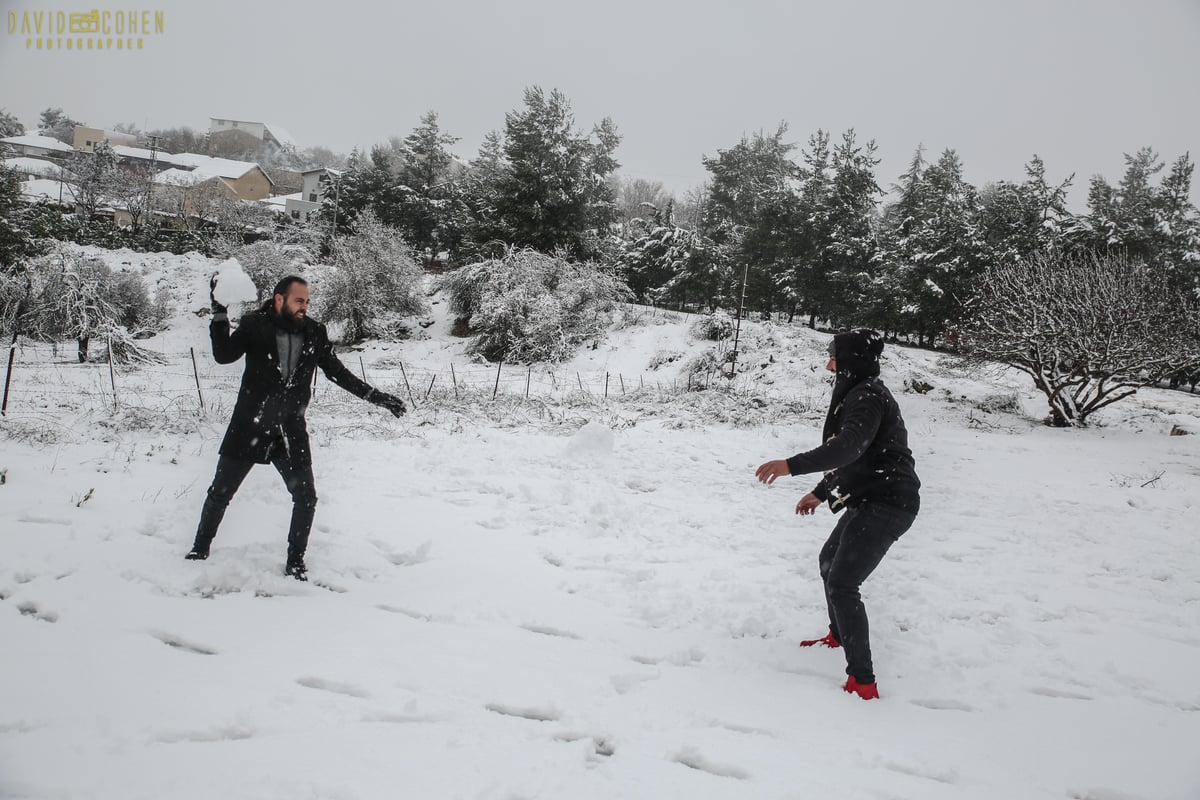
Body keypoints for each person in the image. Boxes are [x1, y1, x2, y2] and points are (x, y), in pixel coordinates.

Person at [185, 275, 407, 581]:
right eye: (298, 300)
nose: (304, 306)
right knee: (220, 492)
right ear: (280, 299)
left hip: (289, 430)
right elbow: (224, 356)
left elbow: (336, 372)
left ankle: (296, 561)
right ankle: (200, 548)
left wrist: (376, 397)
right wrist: (219, 314)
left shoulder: (315, 332)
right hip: (250, 425)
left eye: (307, 301)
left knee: (306, 497)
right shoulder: (254, 325)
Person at [755, 329, 920, 700]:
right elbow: (858, 455)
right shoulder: (860, 393)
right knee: (830, 561)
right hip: (871, 496)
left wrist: (791, 466)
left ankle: (863, 682)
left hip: (890, 502)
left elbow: (847, 448)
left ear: (852, 362)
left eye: (835, 358)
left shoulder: (867, 397)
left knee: (843, 583)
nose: (830, 365)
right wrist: (819, 493)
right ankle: (839, 635)